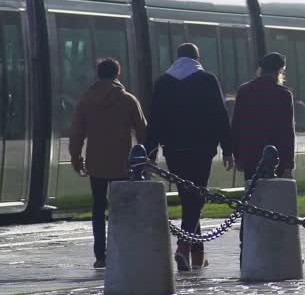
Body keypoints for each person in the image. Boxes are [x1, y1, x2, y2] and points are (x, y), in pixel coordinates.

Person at [145, 43, 233, 272]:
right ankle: (183, 247)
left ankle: (198, 254)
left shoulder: (163, 82)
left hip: (174, 148)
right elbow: (220, 115)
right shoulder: (207, 80)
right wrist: (228, 148)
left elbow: (154, 119)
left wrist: (150, 151)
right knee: (197, 197)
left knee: (188, 197)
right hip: (202, 148)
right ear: (197, 57)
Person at [69, 58, 147, 269]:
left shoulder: (86, 100)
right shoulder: (129, 100)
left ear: (98, 74)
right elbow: (143, 132)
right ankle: (122, 249)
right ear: (117, 74)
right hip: (123, 165)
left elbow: (77, 133)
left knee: (98, 208)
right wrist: (145, 159)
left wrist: (76, 158)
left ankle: (100, 255)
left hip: (96, 164)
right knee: (122, 209)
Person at [231, 52, 295, 180]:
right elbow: (287, 132)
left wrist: (237, 156)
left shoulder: (244, 91)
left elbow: (236, 126)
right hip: (277, 157)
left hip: (250, 156)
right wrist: (288, 164)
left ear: (260, 70)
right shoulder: (284, 94)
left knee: (254, 195)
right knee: (274, 196)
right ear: (279, 71)